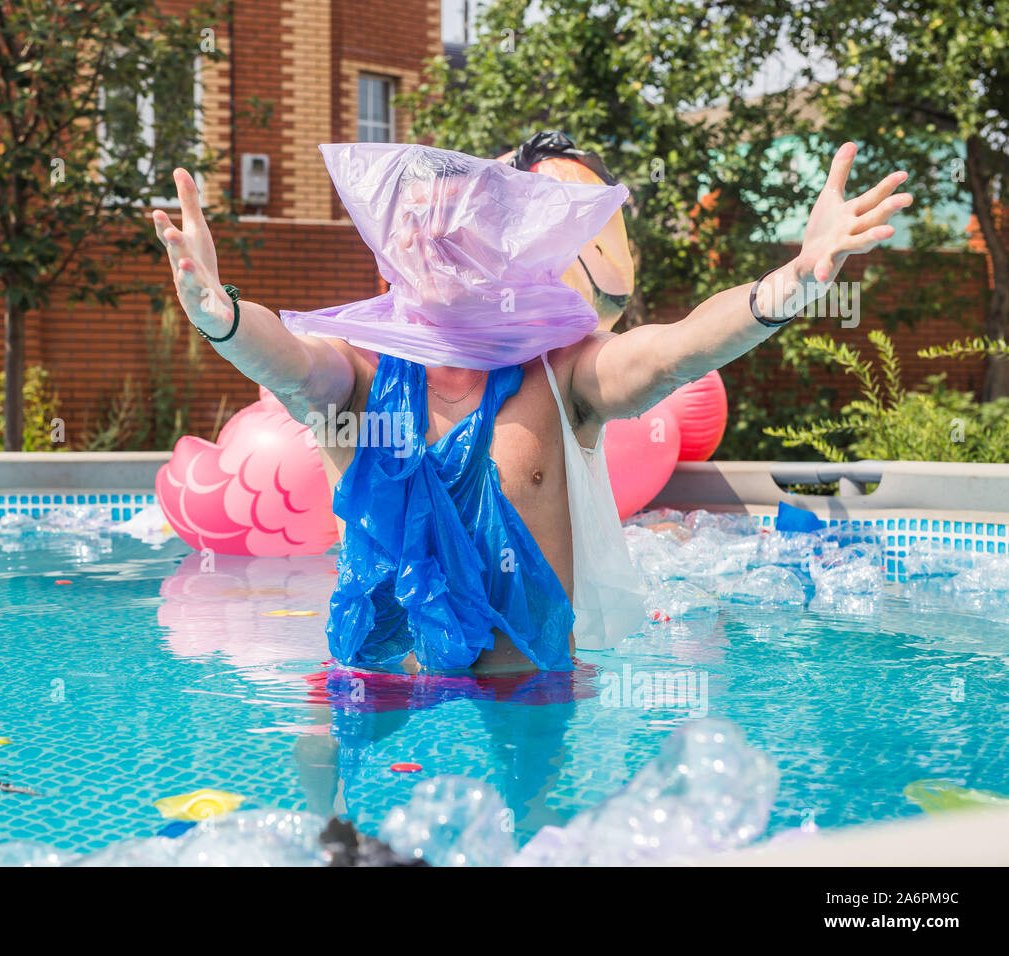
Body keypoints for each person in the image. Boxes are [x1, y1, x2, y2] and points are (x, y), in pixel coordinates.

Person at [153, 139, 910, 676]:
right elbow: (283, 361)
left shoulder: (561, 380)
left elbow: (678, 348)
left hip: (524, 698)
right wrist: (218, 312)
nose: (437, 237)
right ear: (391, 248)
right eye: (416, 222)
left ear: (500, 245)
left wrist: (794, 282)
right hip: (377, 686)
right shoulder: (355, 379)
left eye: (460, 222)